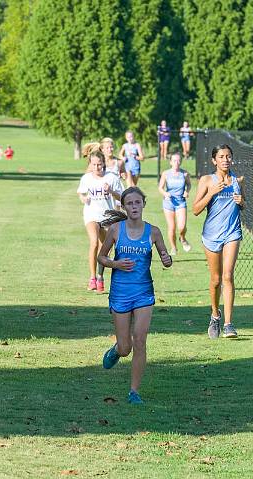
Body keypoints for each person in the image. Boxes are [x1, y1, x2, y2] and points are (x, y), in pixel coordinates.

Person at [98, 187, 172, 405]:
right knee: (125, 347)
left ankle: (134, 392)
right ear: (124, 207)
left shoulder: (154, 232)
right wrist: (115, 263)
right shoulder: (115, 230)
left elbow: (164, 256)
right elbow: (101, 257)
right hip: (120, 293)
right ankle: (116, 350)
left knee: (140, 340)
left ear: (143, 205)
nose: (134, 207)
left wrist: (167, 260)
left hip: (143, 293)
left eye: (137, 203)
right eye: (129, 204)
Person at [192, 144, 245, 339]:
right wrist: (211, 192)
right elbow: (196, 209)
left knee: (228, 276)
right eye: (221, 156)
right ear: (214, 160)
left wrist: (242, 202)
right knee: (215, 280)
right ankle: (215, 315)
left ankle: (229, 324)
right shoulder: (206, 180)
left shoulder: (238, 180)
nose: (225, 159)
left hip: (232, 233)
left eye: (228, 156)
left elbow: (243, 203)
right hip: (212, 235)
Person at [77, 146, 123, 293]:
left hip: (107, 217)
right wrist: (84, 198)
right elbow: (81, 193)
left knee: (105, 248)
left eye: (99, 164)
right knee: (93, 242)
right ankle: (91, 278)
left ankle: (100, 276)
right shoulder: (86, 178)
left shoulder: (111, 178)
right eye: (94, 164)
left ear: (104, 163)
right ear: (90, 164)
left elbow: (122, 197)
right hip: (91, 215)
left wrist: (110, 191)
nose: (96, 167)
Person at [158, 152, 192, 255]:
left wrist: (187, 191)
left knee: (182, 226)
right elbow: (160, 188)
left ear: (180, 161)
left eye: (178, 160)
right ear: (170, 162)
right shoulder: (165, 173)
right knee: (172, 227)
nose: (176, 162)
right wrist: (165, 193)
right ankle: (173, 248)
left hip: (181, 202)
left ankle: (182, 238)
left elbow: (189, 185)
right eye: (174, 160)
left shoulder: (184, 174)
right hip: (168, 203)